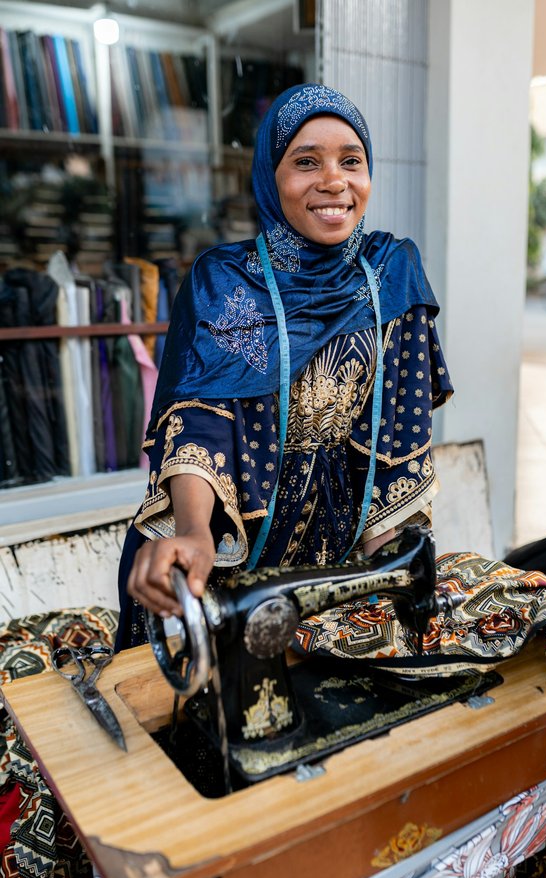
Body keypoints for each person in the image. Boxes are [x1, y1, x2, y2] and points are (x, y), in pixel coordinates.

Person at [115, 83, 453, 650]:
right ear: (270, 177)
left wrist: (391, 564)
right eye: (305, 163)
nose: (334, 181)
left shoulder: (392, 274)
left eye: (352, 161)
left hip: (338, 555)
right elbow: (201, 420)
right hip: (229, 556)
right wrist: (195, 532)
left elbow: (393, 440)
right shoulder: (224, 280)